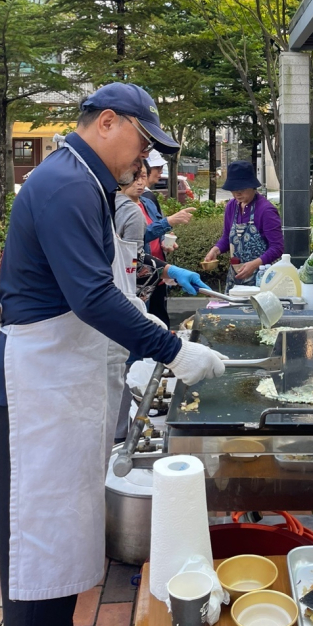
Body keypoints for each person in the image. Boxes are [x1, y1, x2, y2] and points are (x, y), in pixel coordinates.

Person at [0, 82, 227, 626]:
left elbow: (109, 281)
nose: (144, 159)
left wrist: (159, 294)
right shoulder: (67, 184)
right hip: (35, 390)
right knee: (38, 531)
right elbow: (92, 296)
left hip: (63, 383)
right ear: (109, 122)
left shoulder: (88, 184)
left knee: (65, 527)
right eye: (143, 143)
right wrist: (173, 350)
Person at [110, 166, 206, 454]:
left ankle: (119, 432)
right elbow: (133, 264)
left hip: (118, 307)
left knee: (126, 366)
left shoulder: (112, 203)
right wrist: (166, 272)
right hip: (115, 309)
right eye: (138, 176)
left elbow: (136, 262)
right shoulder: (128, 212)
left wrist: (168, 270)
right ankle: (118, 438)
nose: (143, 182)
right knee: (123, 368)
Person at [203, 159, 283, 291]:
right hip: (236, 276)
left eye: (241, 189)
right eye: (233, 190)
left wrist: (255, 264)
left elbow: (277, 247)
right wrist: (215, 250)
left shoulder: (266, 210)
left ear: (253, 186)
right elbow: (226, 237)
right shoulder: (231, 206)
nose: (237, 194)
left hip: (262, 278)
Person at [139, 149, 193, 326]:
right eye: (137, 176)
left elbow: (155, 232)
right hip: (140, 280)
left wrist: (164, 242)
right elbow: (137, 237)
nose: (140, 182)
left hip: (157, 273)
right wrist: (169, 221)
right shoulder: (122, 207)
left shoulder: (147, 200)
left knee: (161, 323)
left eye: (143, 176)